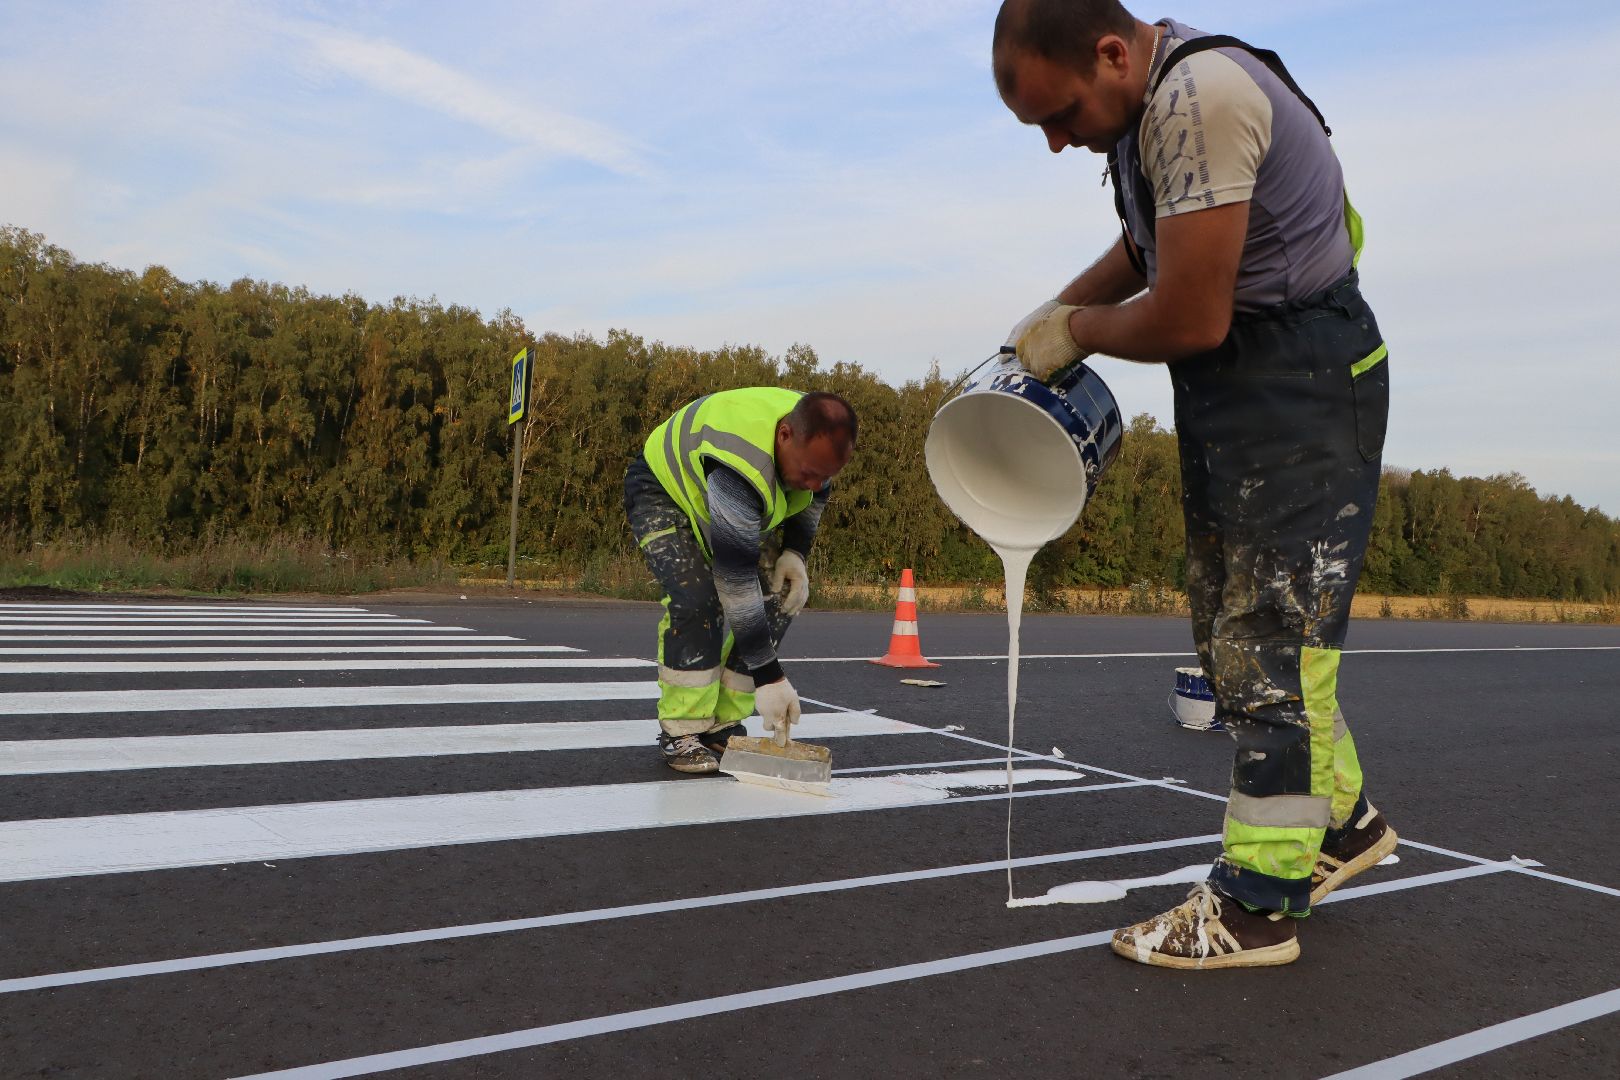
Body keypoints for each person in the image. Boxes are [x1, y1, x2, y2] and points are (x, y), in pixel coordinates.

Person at [991, 0, 1397, 969]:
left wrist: (1079, 334)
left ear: (1112, 53)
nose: (1056, 143)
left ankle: (1259, 902)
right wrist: (1060, 307)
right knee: (1231, 628)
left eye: (1061, 114)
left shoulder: (1199, 99)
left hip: (1299, 374)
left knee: (1274, 633)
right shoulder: (1146, 119)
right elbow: (1148, 247)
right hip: (1247, 380)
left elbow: (1189, 311)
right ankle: (1339, 827)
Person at [623, 388, 857, 774]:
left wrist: (795, 553)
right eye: (810, 473)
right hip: (663, 488)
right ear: (784, 436)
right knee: (698, 599)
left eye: (826, 476)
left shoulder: (816, 439)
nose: (815, 484)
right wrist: (770, 676)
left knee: (780, 596)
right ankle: (681, 730)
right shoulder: (740, 462)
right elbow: (733, 579)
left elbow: (813, 498)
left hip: (726, 496)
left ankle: (723, 724)